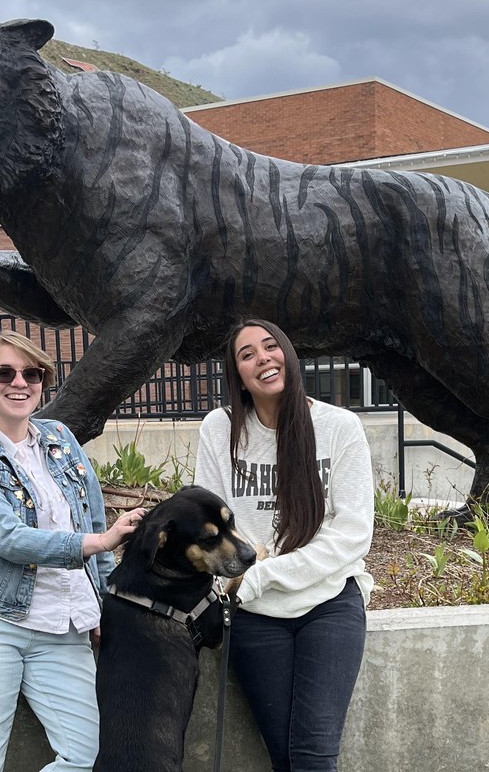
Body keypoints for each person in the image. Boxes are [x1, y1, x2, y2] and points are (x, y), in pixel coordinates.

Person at [0, 331, 145, 772]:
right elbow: (7, 537)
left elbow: (91, 520)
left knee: (90, 755)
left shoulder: (60, 439)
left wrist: (106, 607)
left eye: (32, 373)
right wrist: (96, 544)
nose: (19, 383)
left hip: (62, 628)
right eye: (4, 372)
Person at [194, 319, 374, 771]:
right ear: (237, 374)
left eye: (271, 347)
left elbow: (353, 532)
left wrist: (263, 575)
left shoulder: (339, 427)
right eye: (247, 354)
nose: (263, 359)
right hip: (255, 616)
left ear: (289, 354)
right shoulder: (219, 429)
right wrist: (240, 584)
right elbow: (209, 523)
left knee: (313, 757)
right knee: (285, 758)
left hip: (328, 603)